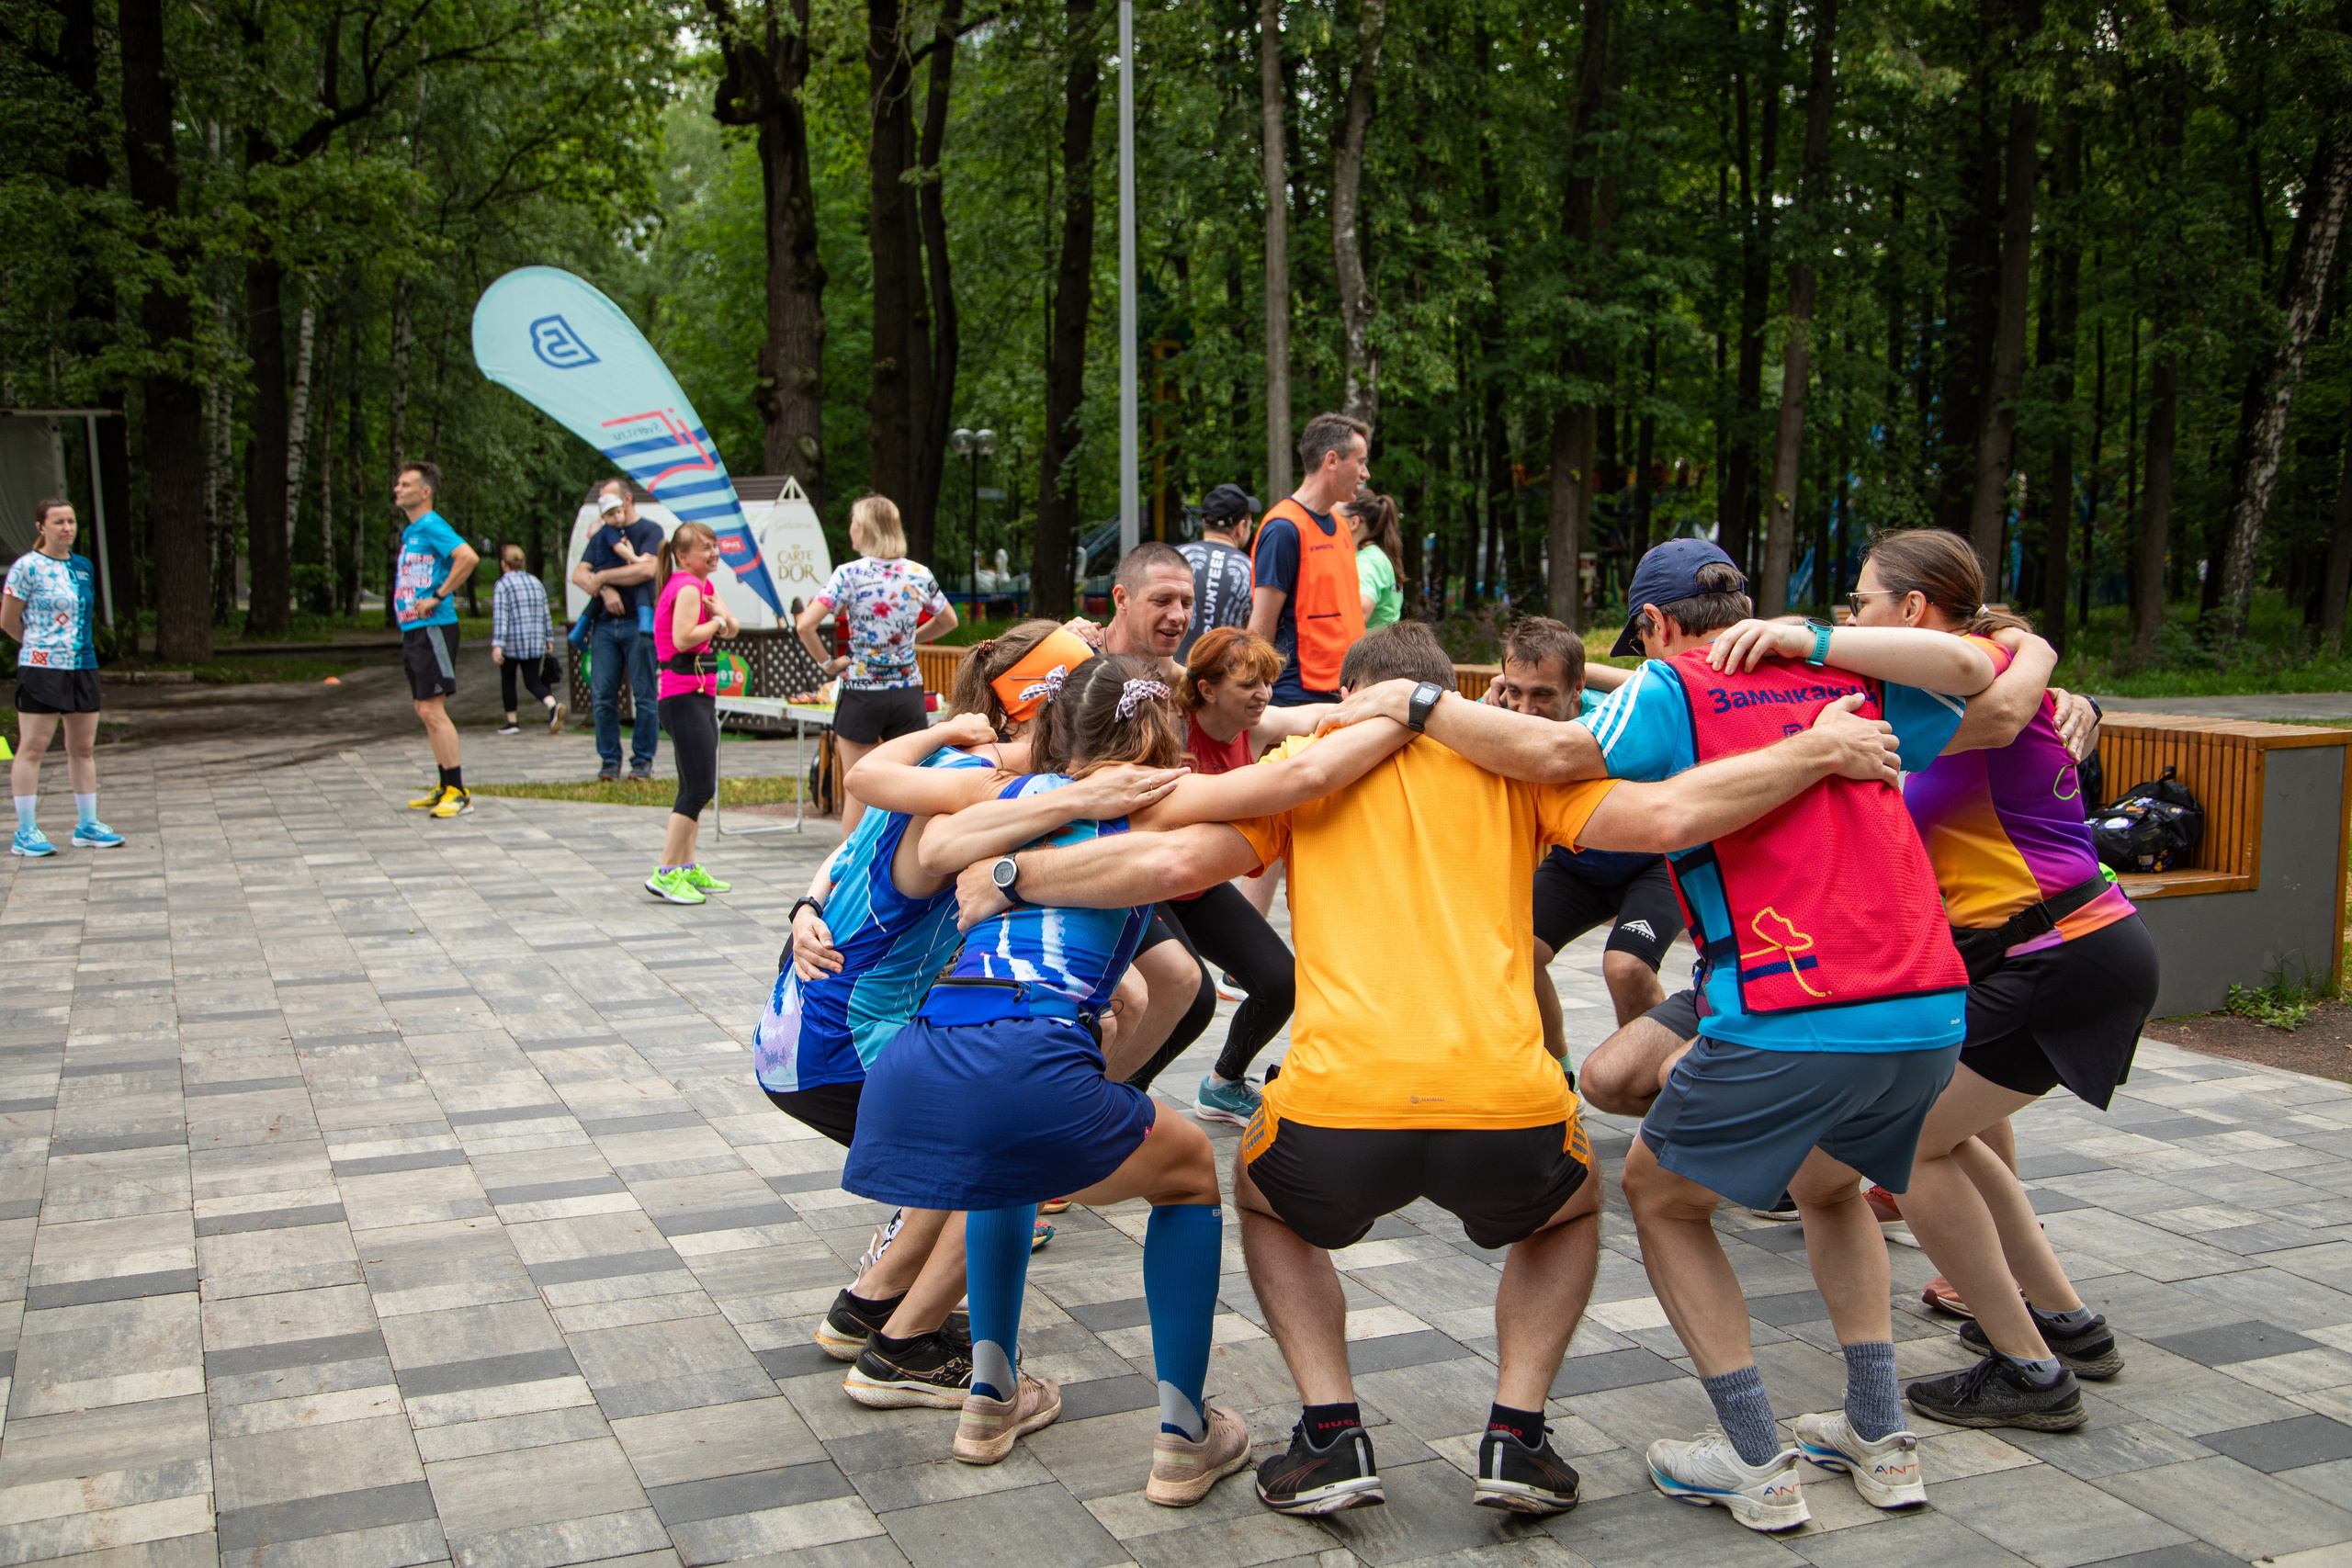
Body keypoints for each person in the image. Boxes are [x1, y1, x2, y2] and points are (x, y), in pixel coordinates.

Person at [953, 621, 1913, 1520]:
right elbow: (1668, 817)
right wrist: (1812, 754)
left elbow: (1166, 869)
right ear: (1438, 691)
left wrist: (1012, 878)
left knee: (1262, 1199)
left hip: (1338, 1107)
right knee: (1571, 1209)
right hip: (1505, 1103)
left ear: (1350, 698)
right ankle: (1516, 1433)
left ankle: (1331, 1433)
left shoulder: (1303, 772)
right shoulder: (1511, 769)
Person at [1321, 547, 1998, 1533]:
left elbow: (1555, 756)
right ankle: (1879, 1435)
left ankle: (1755, 1458)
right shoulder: (1850, 672)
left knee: (1656, 1193)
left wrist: (1411, 706)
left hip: (1797, 1000)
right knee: (1827, 1185)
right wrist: (1825, 638)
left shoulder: (1674, 681)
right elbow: (1980, 673)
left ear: (1647, 626)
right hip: (1928, 1003)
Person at [843, 654, 1424, 1506]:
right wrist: (1415, 710)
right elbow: (1307, 775)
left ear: (1055, 728)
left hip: (921, 1060)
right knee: (1190, 1173)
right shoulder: (1154, 795)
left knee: (1011, 1175)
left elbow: (898, 805)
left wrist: (1054, 795)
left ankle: (988, 1400)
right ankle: (1186, 1438)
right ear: (1157, 732)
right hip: (1024, 1056)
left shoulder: (1004, 798)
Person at [764, 705, 1181, 1408]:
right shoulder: (982, 784)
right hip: (840, 1044)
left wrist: (805, 902)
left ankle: (869, 1305)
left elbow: (856, 812)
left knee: (999, 1113)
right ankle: (902, 1349)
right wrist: (1077, 799)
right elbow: (893, 808)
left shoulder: (937, 771)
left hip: (799, 1034)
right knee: (1010, 1132)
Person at [1843, 528, 2154, 1428]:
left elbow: (2005, 694)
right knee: (1950, 1131)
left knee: (1893, 1136)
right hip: (2074, 949)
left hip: (2059, 953)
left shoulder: (1973, 673)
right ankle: (2064, 1323)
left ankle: (2027, 1369)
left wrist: (1803, 645)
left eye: (1859, 601)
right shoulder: (1971, 674)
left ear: (1908, 610)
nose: (1848, 616)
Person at [1168, 626, 1329, 1124]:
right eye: (1248, 684)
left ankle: (1223, 1084)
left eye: (1267, 682)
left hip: (1199, 887)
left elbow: (1322, 715)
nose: (1262, 695)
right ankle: (1118, 1098)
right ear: (1208, 690)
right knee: (1191, 998)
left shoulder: (1255, 729)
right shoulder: (1172, 727)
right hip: (1150, 887)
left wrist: (1412, 700)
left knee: (1280, 981)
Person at [1496, 617, 1680, 1045]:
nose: (1524, 710)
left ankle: (1655, 1087)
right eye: (1514, 692)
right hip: (1577, 864)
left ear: (1577, 688)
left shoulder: (1626, 711)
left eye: (1543, 694)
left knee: (1625, 966)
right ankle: (1560, 1076)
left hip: (1653, 865)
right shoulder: (1501, 718)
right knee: (1518, 954)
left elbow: (1673, 685)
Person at [797, 494, 958, 838]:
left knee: (859, 786)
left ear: (864, 528)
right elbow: (948, 621)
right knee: (911, 785)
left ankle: (848, 875)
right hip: (907, 692)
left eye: (854, 522)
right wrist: (910, 638)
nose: (850, 529)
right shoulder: (919, 573)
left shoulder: (848, 575)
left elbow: (805, 625)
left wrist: (827, 663)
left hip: (861, 694)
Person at [3, 499, 119, 855]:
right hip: (42, 668)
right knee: (33, 747)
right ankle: (25, 831)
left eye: (71, 521)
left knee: (82, 748)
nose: (66, 527)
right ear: (41, 527)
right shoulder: (27, 567)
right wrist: (39, 648)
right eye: (58, 522)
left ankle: (87, 824)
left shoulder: (83, 567)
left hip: (82, 665)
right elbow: (8, 621)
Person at [644, 524, 739, 906]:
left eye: (715, 546)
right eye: (705, 548)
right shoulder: (686, 586)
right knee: (699, 786)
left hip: (698, 695)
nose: (714, 553)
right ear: (683, 556)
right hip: (683, 696)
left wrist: (721, 618)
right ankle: (665, 872)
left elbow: (731, 629)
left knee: (694, 785)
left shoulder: (702, 587)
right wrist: (717, 621)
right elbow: (684, 638)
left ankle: (685, 866)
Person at [1250, 412, 1371, 705]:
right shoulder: (1284, 529)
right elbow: (1260, 629)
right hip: (1298, 699)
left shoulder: (1341, 525)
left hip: (1347, 691)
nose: (1366, 474)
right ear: (1332, 460)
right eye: (1360, 462)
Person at [392, 462, 480, 818]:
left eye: (405, 484)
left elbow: (468, 556)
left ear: (424, 491)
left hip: (434, 627)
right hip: (415, 629)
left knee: (432, 708)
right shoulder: (413, 531)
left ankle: (459, 792)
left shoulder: (432, 524)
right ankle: (445, 785)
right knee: (423, 708)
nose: (396, 489)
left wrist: (439, 595)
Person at [571, 479, 663, 784]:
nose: (603, 505)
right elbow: (578, 574)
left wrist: (603, 577)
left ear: (626, 498)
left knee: (645, 694)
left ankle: (642, 761)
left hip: (640, 624)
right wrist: (606, 588)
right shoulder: (601, 535)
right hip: (605, 625)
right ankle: (609, 761)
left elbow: (646, 570)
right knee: (602, 695)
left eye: (608, 498)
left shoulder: (650, 530)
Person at [1177, 484, 1257, 659]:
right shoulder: (1250, 570)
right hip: (1225, 677)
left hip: (1173, 676)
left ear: (1204, 522)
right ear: (1240, 527)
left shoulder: (1175, 558)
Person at [492, 545, 564, 736]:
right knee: (532, 681)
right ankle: (553, 705)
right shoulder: (536, 583)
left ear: (503, 564)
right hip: (535, 641)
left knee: (508, 680)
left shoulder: (503, 585)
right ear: (522, 563)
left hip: (511, 642)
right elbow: (545, 613)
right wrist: (549, 638)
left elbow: (501, 616)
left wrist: (497, 645)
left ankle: (512, 721)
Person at [1103, 542, 1193, 680]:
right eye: (1162, 601)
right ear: (1121, 599)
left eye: (1186, 603)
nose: (1179, 616)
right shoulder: (1072, 658)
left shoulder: (1182, 684)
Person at [1346, 492, 1403, 629]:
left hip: (1368, 650)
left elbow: (1361, 611)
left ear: (1354, 522)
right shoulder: (1379, 556)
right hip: (1383, 648)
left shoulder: (1367, 561)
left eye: (1337, 518)